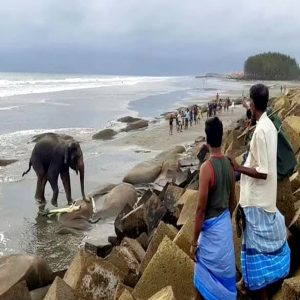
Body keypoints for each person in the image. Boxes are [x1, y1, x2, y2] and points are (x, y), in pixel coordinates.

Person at [230, 84, 290, 299]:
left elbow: (263, 171)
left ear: (253, 103)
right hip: (258, 200)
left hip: (257, 202)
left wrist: (238, 168)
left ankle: (253, 287)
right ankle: (246, 282)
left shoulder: (263, 131)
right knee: (255, 252)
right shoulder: (269, 126)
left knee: (257, 257)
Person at [191, 117, 237, 300]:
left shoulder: (206, 168)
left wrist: (194, 243)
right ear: (222, 138)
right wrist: (224, 221)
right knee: (223, 282)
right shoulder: (228, 164)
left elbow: (200, 209)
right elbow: (233, 201)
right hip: (224, 234)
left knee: (201, 286)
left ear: (207, 139)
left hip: (211, 238)